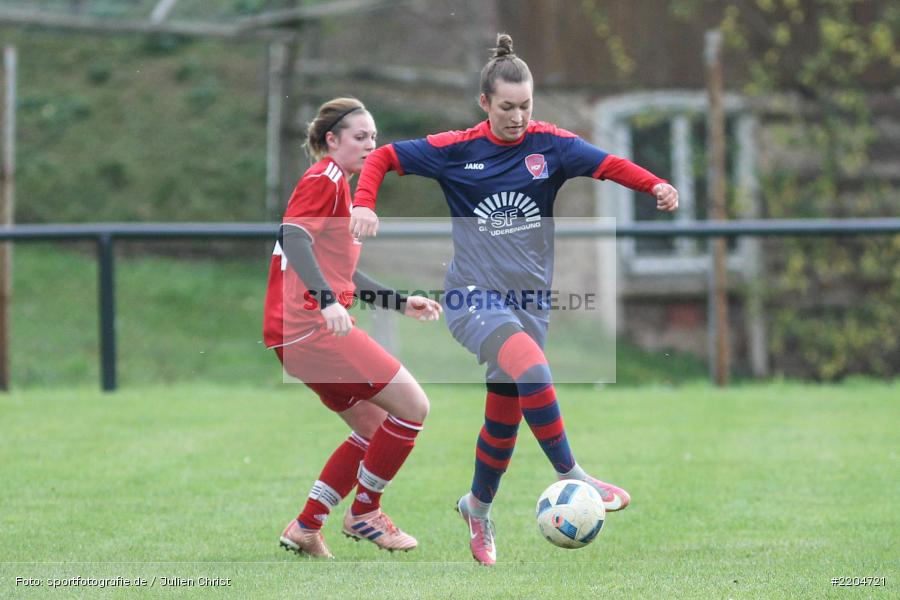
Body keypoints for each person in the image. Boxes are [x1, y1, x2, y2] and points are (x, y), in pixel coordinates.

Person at [349, 34, 679, 565]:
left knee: (503, 421)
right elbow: (384, 156)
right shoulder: (458, 150)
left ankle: (476, 509)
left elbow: (609, 164)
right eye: (507, 107)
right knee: (533, 368)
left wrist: (655, 185)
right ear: (485, 104)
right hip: (470, 297)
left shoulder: (551, 146)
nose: (518, 116)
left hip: (529, 303)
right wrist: (364, 203)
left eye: (526, 105)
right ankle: (574, 475)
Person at [263, 97, 442, 559]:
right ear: (332, 140)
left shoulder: (339, 186)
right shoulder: (325, 178)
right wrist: (325, 302)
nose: (370, 146)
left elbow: (343, 275)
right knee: (412, 406)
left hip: (296, 334)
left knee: (373, 425)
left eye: (374, 138)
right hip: (310, 329)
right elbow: (293, 235)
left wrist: (399, 302)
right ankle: (365, 513)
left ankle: (306, 526)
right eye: (360, 137)